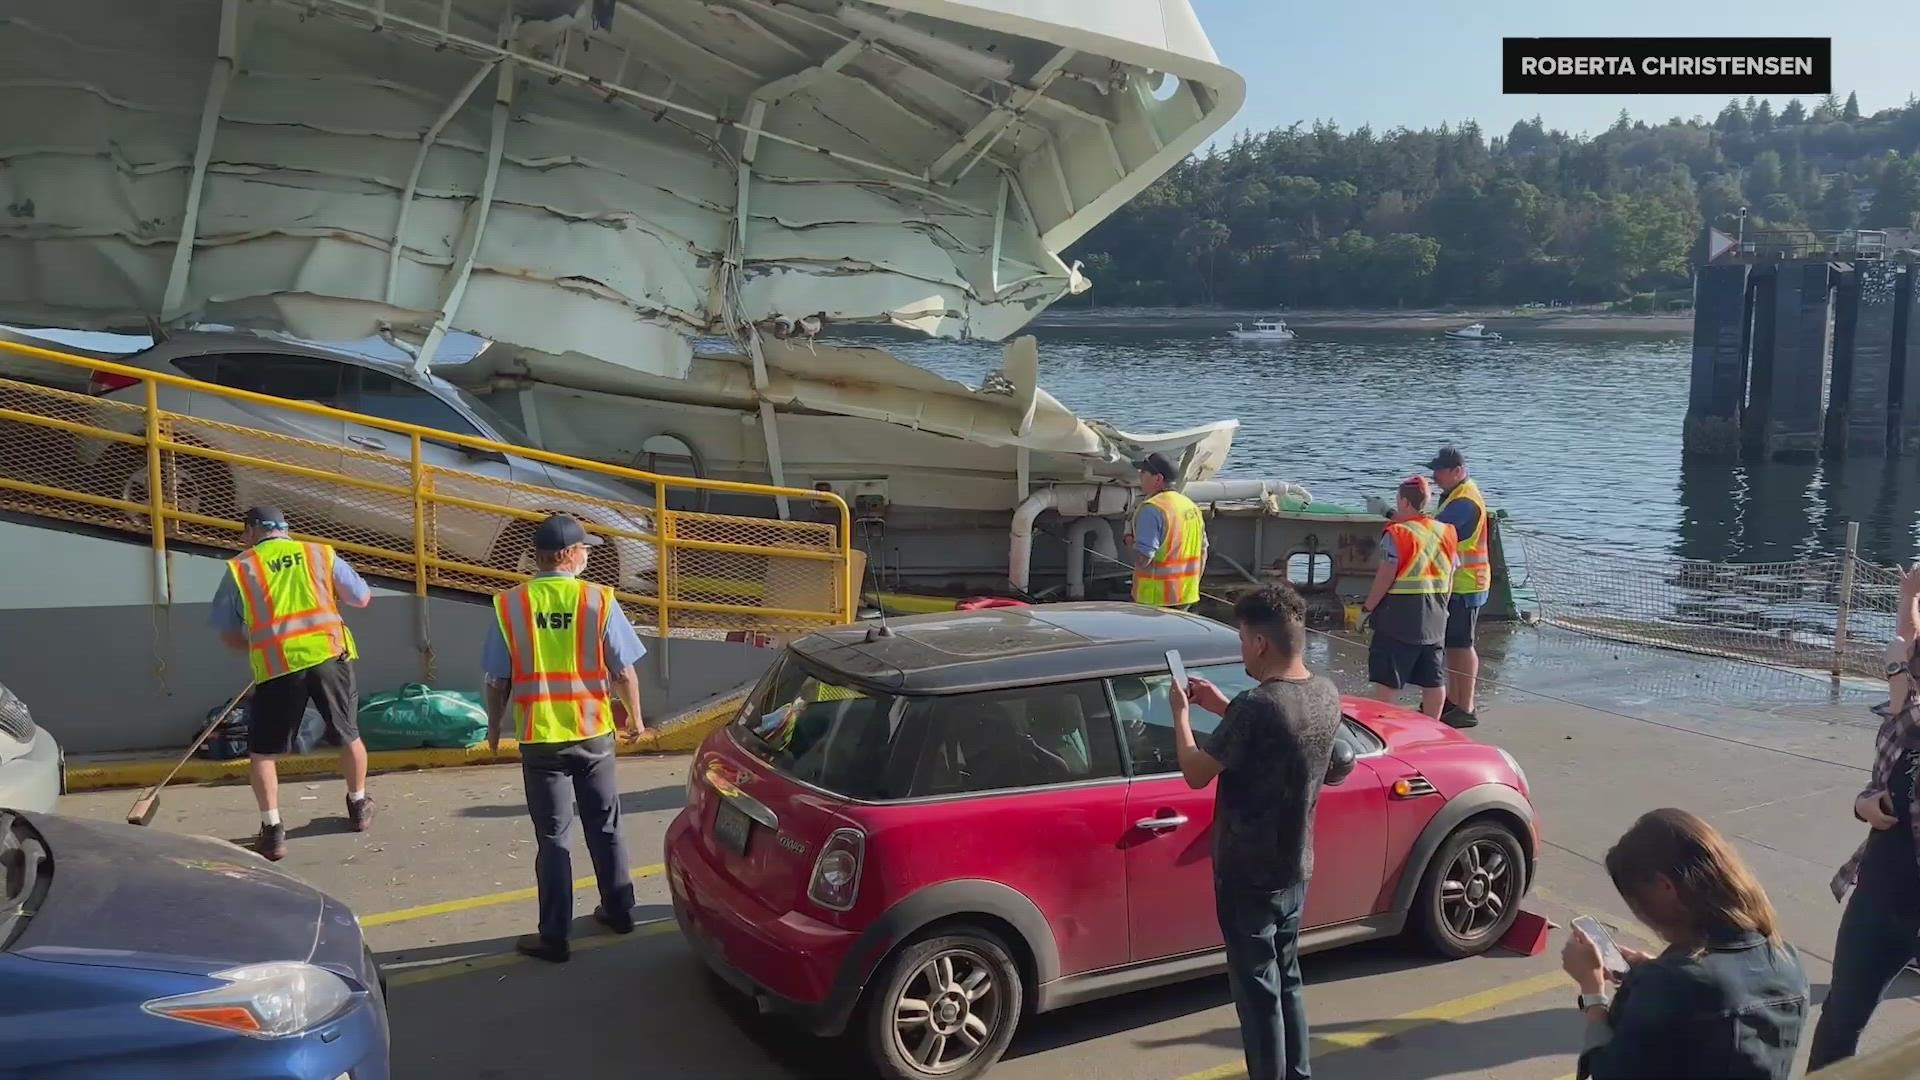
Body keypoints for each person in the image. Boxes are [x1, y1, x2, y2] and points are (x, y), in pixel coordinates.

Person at [1172, 584, 1341, 1080]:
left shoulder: (1255, 706)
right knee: (1287, 979)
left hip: (1247, 876)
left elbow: (1196, 772)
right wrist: (1221, 707)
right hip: (1296, 868)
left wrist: (1181, 716)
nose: (1242, 648)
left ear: (1262, 643)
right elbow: (1282, 738)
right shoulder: (1326, 694)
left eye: (1244, 639)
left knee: (1256, 996)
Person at [483, 514, 648, 963]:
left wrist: (495, 729)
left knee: (554, 837)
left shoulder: (511, 604)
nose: (589, 555)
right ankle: (619, 910)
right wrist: (636, 719)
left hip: (540, 739)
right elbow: (624, 671)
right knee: (606, 824)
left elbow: (497, 680)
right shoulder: (598, 600)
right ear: (571, 555)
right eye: (586, 550)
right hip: (593, 733)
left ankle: (554, 936)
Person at [1563, 808, 1808, 1080]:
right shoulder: (1786, 959)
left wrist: (1593, 992)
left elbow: (1609, 1072)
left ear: (1665, 887)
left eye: (1635, 899)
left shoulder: (1669, 984)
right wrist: (1652, 971)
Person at [211, 506, 374, 860]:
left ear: (252, 532)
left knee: (263, 753)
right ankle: (359, 805)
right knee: (348, 734)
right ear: (285, 530)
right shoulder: (319, 553)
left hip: (277, 665)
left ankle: (272, 831)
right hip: (330, 656)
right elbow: (361, 597)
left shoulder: (241, 567)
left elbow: (228, 634)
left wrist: (258, 646)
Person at [1809, 563, 1920, 1069]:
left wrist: (1898, 676)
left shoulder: (1907, 713)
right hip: (1878, 895)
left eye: (1907, 668)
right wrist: (1864, 804)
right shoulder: (1902, 725)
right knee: (1840, 1018)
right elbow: (1880, 783)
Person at [1361, 477, 1459, 721]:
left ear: (1404, 501)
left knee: (1388, 680)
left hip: (1398, 620)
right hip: (1436, 618)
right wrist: (1444, 607)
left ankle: (1381, 727)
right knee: (1433, 679)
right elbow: (1452, 572)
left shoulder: (1397, 534)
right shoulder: (1445, 532)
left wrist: (1366, 609)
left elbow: (1385, 575)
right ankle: (1433, 728)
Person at [1429, 445, 1491, 728]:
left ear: (1458, 471)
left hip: (1467, 583)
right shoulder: (1455, 495)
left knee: (1462, 644)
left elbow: (1436, 531)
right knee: (1454, 644)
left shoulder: (1464, 501)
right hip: (1461, 582)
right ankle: (1454, 701)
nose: (1435, 476)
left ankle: (1465, 707)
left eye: (1440, 471)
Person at [1124, 452, 1207, 611]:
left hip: (1155, 600)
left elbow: (1143, 559)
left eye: (1144, 472)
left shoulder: (1152, 509)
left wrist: (1128, 538)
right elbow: (1203, 552)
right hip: (1186, 596)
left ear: (1158, 478)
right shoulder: (1190, 506)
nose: (1140, 475)